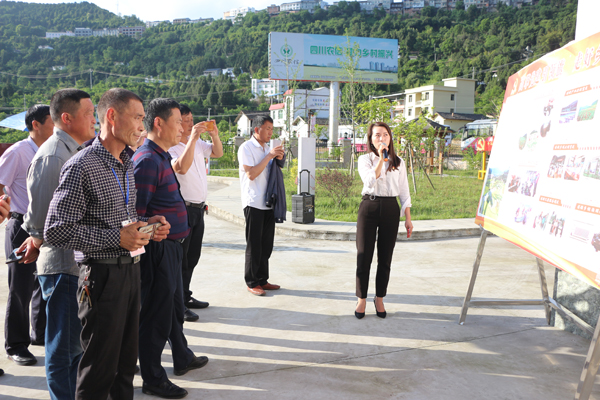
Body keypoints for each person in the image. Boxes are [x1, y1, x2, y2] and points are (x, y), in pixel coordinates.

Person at [44, 89, 171, 400]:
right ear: (112, 116)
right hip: (101, 277)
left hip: (131, 271)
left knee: (125, 366)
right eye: (138, 118)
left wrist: (146, 225)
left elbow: (120, 219)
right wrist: (117, 238)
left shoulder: (125, 162)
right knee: (99, 370)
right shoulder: (81, 165)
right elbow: (55, 231)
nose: (142, 126)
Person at [20, 88, 96, 400]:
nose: (94, 120)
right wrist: (36, 238)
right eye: (89, 114)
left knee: (75, 347)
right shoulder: (53, 157)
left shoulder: (74, 150)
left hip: (75, 265)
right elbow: (41, 220)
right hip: (63, 266)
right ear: (67, 118)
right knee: (63, 350)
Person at [133, 98, 209, 399]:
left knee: (173, 309)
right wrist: (153, 231)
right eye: (178, 122)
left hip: (172, 247)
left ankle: (182, 356)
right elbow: (134, 217)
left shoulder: (161, 155)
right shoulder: (147, 160)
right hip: (158, 250)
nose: (183, 128)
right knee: (156, 317)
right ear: (159, 123)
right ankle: (153, 378)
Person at [0, 105, 53, 367]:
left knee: (43, 284)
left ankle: (39, 333)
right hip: (21, 225)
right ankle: (16, 345)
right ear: (36, 124)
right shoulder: (18, 151)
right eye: (52, 121)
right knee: (20, 288)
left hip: (46, 227)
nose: (56, 126)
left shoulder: (51, 150)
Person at [169, 104, 223, 322]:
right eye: (186, 120)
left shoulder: (199, 143)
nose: (191, 123)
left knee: (192, 257)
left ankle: (185, 296)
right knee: (181, 259)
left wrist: (215, 135)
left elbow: (218, 153)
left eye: (192, 119)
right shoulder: (172, 147)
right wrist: (192, 139)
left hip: (199, 209)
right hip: (183, 208)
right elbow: (180, 168)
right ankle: (178, 304)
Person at [355, 122, 413, 320]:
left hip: (390, 208)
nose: (382, 138)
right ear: (371, 139)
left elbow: (404, 191)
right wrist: (381, 159)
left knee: (385, 257)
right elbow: (369, 180)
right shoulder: (364, 159)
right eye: (377, 135)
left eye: (385, 135)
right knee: (364, 255)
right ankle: (361, 299)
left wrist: (408, 218)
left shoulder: (399, 162)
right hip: (369, 206)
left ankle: (379, 298)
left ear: (390, 138)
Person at [237, 115, 284, 296]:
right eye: (268, 129)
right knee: (254, 245)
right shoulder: (246, 148)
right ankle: (251, 281)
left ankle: (262, 279)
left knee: (266, 245)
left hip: (268, 202)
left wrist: (277, 157)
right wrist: (269, 156)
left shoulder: (267, 148)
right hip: (253, 202)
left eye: (272, 129)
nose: (271, 133)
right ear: (257, 130)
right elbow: (251, 174)